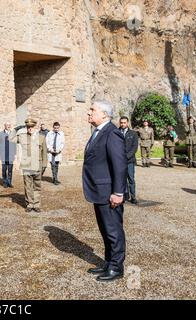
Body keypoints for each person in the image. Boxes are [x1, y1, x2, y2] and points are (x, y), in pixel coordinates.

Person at [83, 100, 127, 282]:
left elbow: (120, 165)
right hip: (99, 191)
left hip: (109, 192)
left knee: (113, 231)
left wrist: (118, 192)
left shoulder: (112, 133)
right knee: (105, 230)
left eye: (92, 110)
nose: (89, 112)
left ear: (104, 115)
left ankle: (117, 268)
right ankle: (109, 262)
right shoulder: (98, 132)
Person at [9, 118, 47, 212]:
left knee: (37, 185)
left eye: (32, 127)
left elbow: (44, 152)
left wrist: (44, 165)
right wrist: (15, 129)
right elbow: (10, 139)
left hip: (37, 164)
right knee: (28, 186)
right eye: (28, 127)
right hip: (26, 164)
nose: (30, 128)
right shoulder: (22, 136)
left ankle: (36, 204)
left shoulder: (41, 137)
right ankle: (30, 204)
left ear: (35, 127)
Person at [119, 116, 138, 204]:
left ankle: (133, 197)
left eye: (124, 122)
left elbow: (134, 147)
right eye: (121, 123)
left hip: (129, 160)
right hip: (118, 161)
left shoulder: (133, 133)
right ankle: (124, 196)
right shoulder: (116, 132)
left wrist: (126, 157)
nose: (123, 124)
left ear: (127, 123)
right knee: (121, 179)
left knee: (131, 179)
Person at [0, 122, 16, 188]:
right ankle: (5, 182)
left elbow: (14, 144)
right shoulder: (0, 134)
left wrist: (15, 153)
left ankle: (9, 182)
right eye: (7, 125)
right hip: (3, 154)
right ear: (4, 126)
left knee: (10, 169)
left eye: (9, 125)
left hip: (11, 154)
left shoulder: (13, 134)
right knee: (4, 169)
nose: (8, 126)